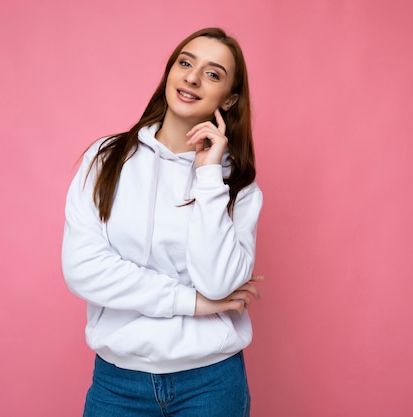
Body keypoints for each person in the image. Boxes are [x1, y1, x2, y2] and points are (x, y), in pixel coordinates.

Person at [62, 27, 263, 417]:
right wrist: (194, 303)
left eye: (213, 73)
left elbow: (219, 282)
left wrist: (208, 176)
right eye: (185, 63)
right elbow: (83, 268)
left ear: (230, 98)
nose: (191, 77)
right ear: (170, 72)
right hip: (117, 382)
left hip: (211, 383)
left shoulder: (238, 187)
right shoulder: (105, 160)